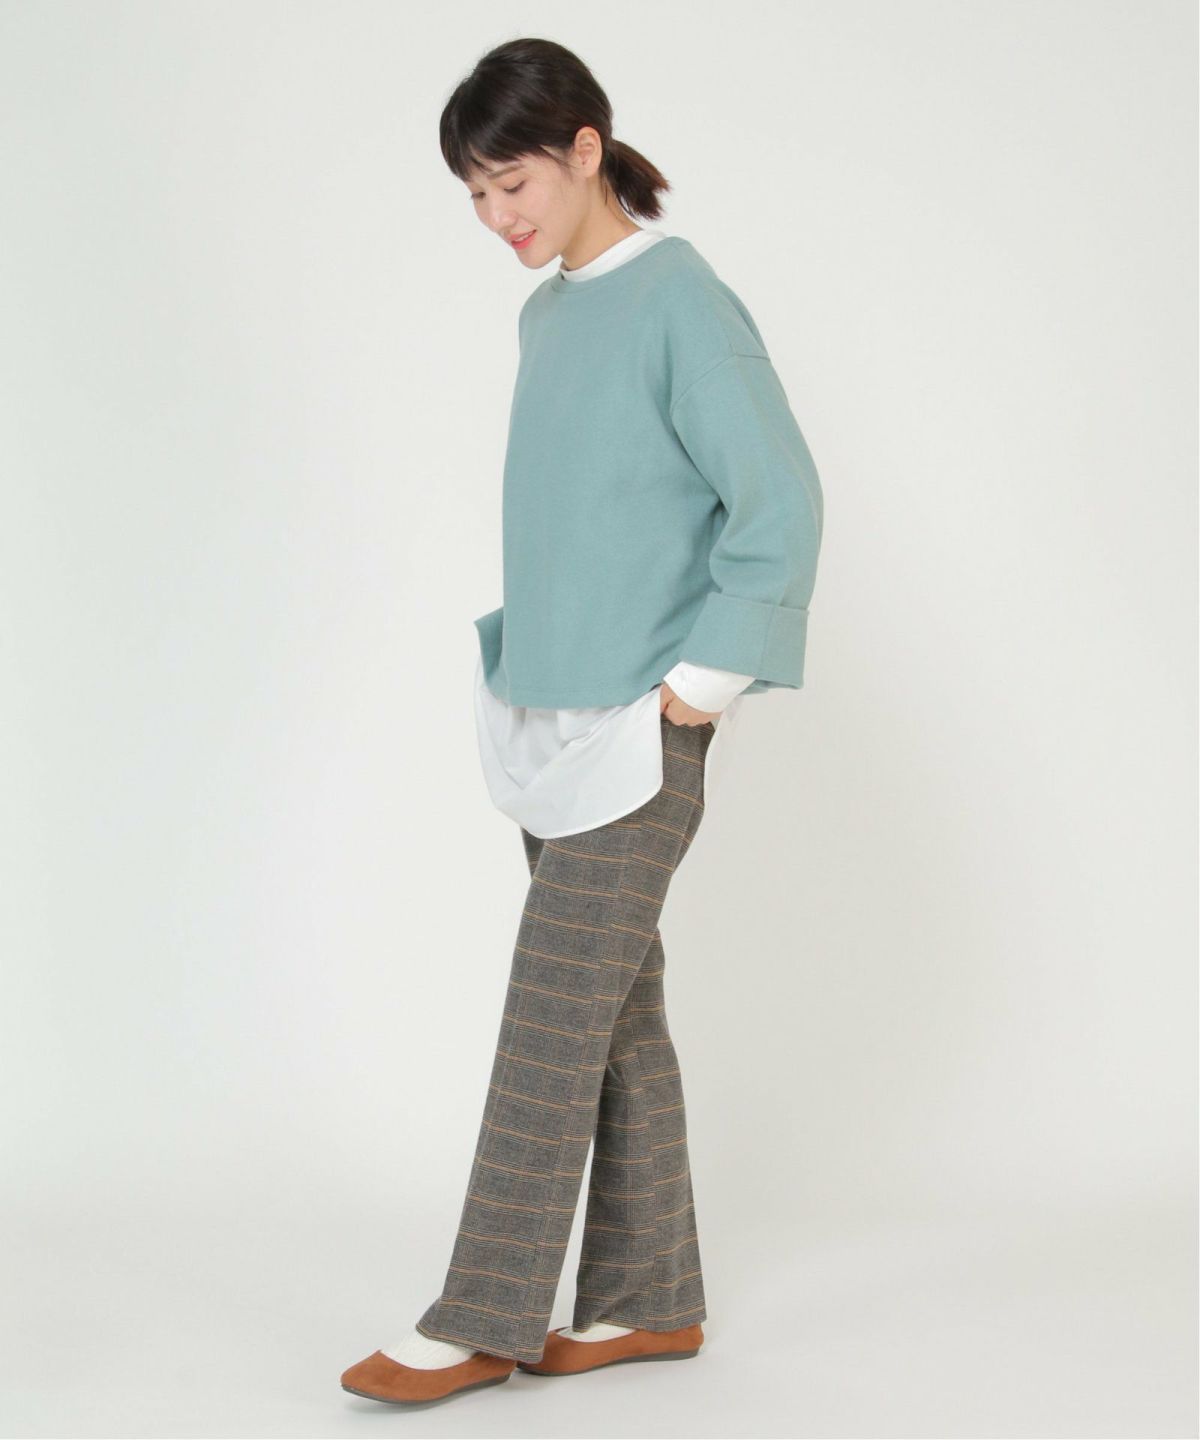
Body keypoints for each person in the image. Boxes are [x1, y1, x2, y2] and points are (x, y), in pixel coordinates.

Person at [340, 35, 824, 1409]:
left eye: (514, 184)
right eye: (476, 197)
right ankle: (648, 1297)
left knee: (550, 1014)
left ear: (586, 148)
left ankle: (480, 1314)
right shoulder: (549, 314)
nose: (498, 217)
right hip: (552, 719)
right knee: (611, 1017)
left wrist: (698, 690)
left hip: (642, 730)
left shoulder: (683, 301)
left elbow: (783, 501)